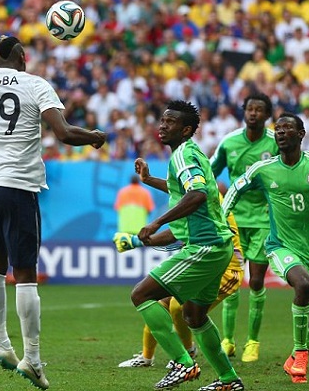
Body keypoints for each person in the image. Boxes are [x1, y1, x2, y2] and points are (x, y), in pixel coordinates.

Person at [0, 35, 106, 390]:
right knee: (26, 271)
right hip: (17, 184)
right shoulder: (36, 84)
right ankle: (31, 358)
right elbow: (63, 133)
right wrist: (94, 136)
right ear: (22, 56)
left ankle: (0, 342)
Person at [221, 112, 309, 383]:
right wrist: (222, 222)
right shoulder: (264, 168)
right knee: (302, 285)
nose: (281, 132)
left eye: (287, 128)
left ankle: (295, 357)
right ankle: (300, 354)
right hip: (280, 246)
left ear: (301, 134)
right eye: (278, 128)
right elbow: (235, 189)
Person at [125, 100, 244, 391]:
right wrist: (149, 179)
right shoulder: (188, 154)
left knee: (141, 295)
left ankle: (182, 363)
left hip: (204, 246)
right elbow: (185, 188)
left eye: (170, 122)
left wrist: (156, 222)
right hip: (218, 246)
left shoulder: (183, 155)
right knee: (193, 315)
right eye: (162, 121)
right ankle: (229, 380)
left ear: (186, 129)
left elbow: (198, 195)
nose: (162, 126)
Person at [114, 190, 244, 369]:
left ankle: (191, 355)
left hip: (227, 268)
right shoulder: (198, 195)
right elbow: (180, 226)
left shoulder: (204, 200)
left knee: (180, 309)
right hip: (204, 262)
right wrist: (149, 179)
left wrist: (136, 241)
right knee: (157, 303)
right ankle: (147, 357)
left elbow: (175, 234)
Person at [210, 92, 279, 362]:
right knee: (231, 280)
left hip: (263, 218)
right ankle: (228, 340)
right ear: (244, 112)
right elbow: (210, 171)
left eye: (259, 109)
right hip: (234, 219)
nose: (253, 113)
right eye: (249, 109)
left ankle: (253, 341)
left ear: (267, 115)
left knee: (258, 281)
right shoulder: (229, 142)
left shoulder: (275, 142)